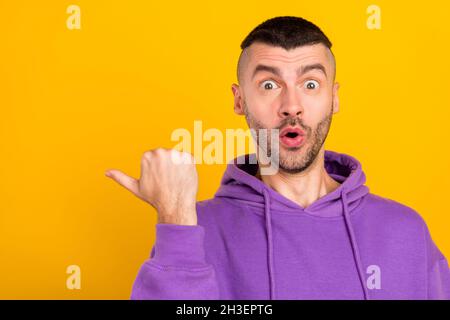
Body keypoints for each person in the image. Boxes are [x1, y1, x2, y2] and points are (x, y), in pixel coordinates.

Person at [105, 16, 450, 299]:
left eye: (311, 84)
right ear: (240, 101)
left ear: (334, 98)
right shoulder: (195, 230)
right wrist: (176, 219)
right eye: (269, 85)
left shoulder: (405, 231)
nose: (291, 106)